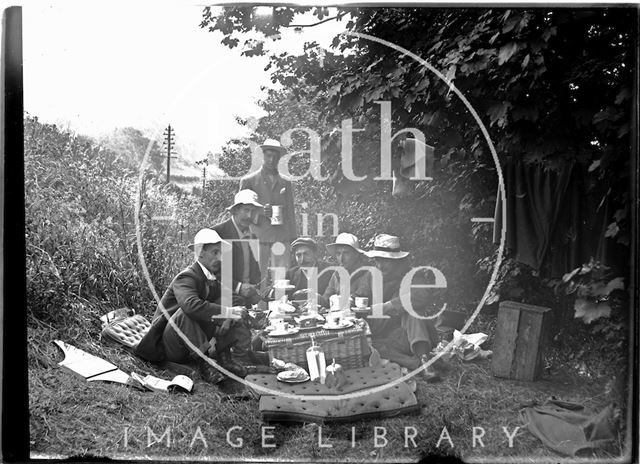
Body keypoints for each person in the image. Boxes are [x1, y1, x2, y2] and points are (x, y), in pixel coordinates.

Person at [134, 229, 261, 382]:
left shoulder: (210, 278)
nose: (220, 258)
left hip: (190, 341)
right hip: (170, 344)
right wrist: (227, 313)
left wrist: (228, 316)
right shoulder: (187, 277)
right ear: (200, 252)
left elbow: (233, 300)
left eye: (221, 253)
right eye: (215, 253)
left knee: (226, 304)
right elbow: (190, 306)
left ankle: (225, 359)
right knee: (186, 312)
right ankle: (205, 364)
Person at [363, 234, 443, 382]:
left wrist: (388, 306)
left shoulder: (412, 275)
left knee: (412, 312)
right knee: (371, 347)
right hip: (384, 337)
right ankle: (416, 363)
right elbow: (359, 296)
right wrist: (351, 300)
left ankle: (425, 360)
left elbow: (422, 294)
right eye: (378, 260)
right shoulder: (371, 276)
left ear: (397, 260)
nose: (380, 265)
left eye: (386, 261)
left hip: (411, 334)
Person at [239, 138, 297, 288]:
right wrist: (260, 212)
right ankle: (259, 310)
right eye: (268, 156)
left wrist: (293, 239)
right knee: (258, 277)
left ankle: (281, 309)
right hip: (258, 235)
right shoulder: (249, 181)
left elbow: (291, 212)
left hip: (281, 236)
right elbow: (241, 212)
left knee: (282, 279)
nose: (271, 160)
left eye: (275, 157)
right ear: (262, 156)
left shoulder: (286, 182)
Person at [212, 189, 262, 306]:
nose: (250, 216)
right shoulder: (217, 233)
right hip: (222, 299)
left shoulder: (252, 236)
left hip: (246, 300)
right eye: (246, 210)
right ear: (235, 210)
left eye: (253, 211)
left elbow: (254, 269)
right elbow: (210, 272)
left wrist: (256, 289)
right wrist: (238, 287)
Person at [292, 233, 370, 307]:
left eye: (346, 253)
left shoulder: (367, 273)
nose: (341, 258)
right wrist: (314, 295)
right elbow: (326, 300)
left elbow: (359, 299)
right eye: (338, 254)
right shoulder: (337, 275)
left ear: (356, 254)